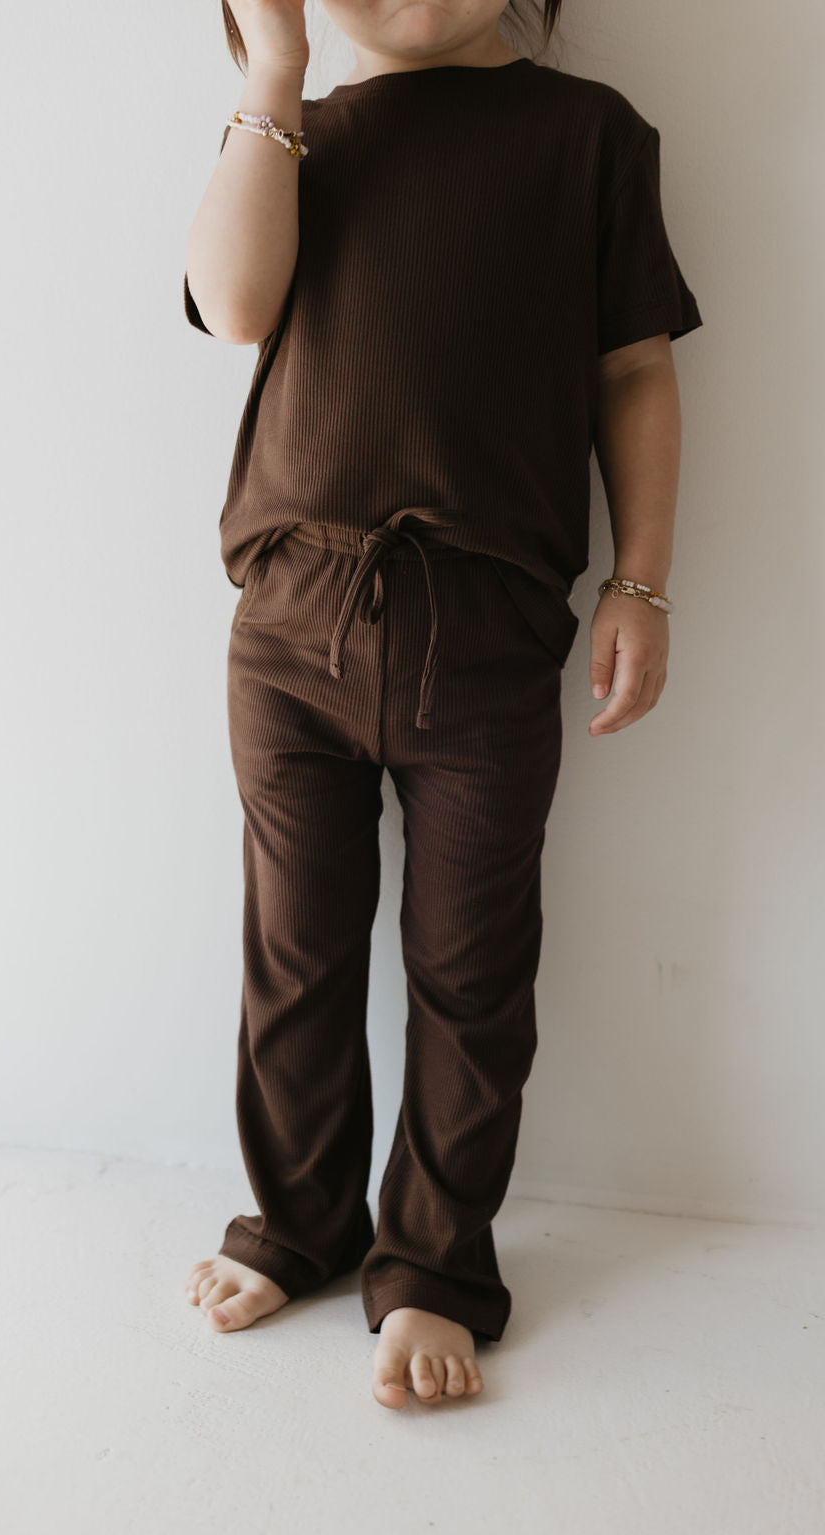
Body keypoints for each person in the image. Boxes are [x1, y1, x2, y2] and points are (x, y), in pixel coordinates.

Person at [181, 0, 703, 1411]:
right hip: (291, 623)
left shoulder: (586, 136)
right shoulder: (299, 133)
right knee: (294, 954)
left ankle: (435, 1262)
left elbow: (638, 370)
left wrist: (640, 584)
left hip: (485, 636)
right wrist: (273, 75)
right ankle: (301, 1221)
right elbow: (234, 306)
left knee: (472, 972)